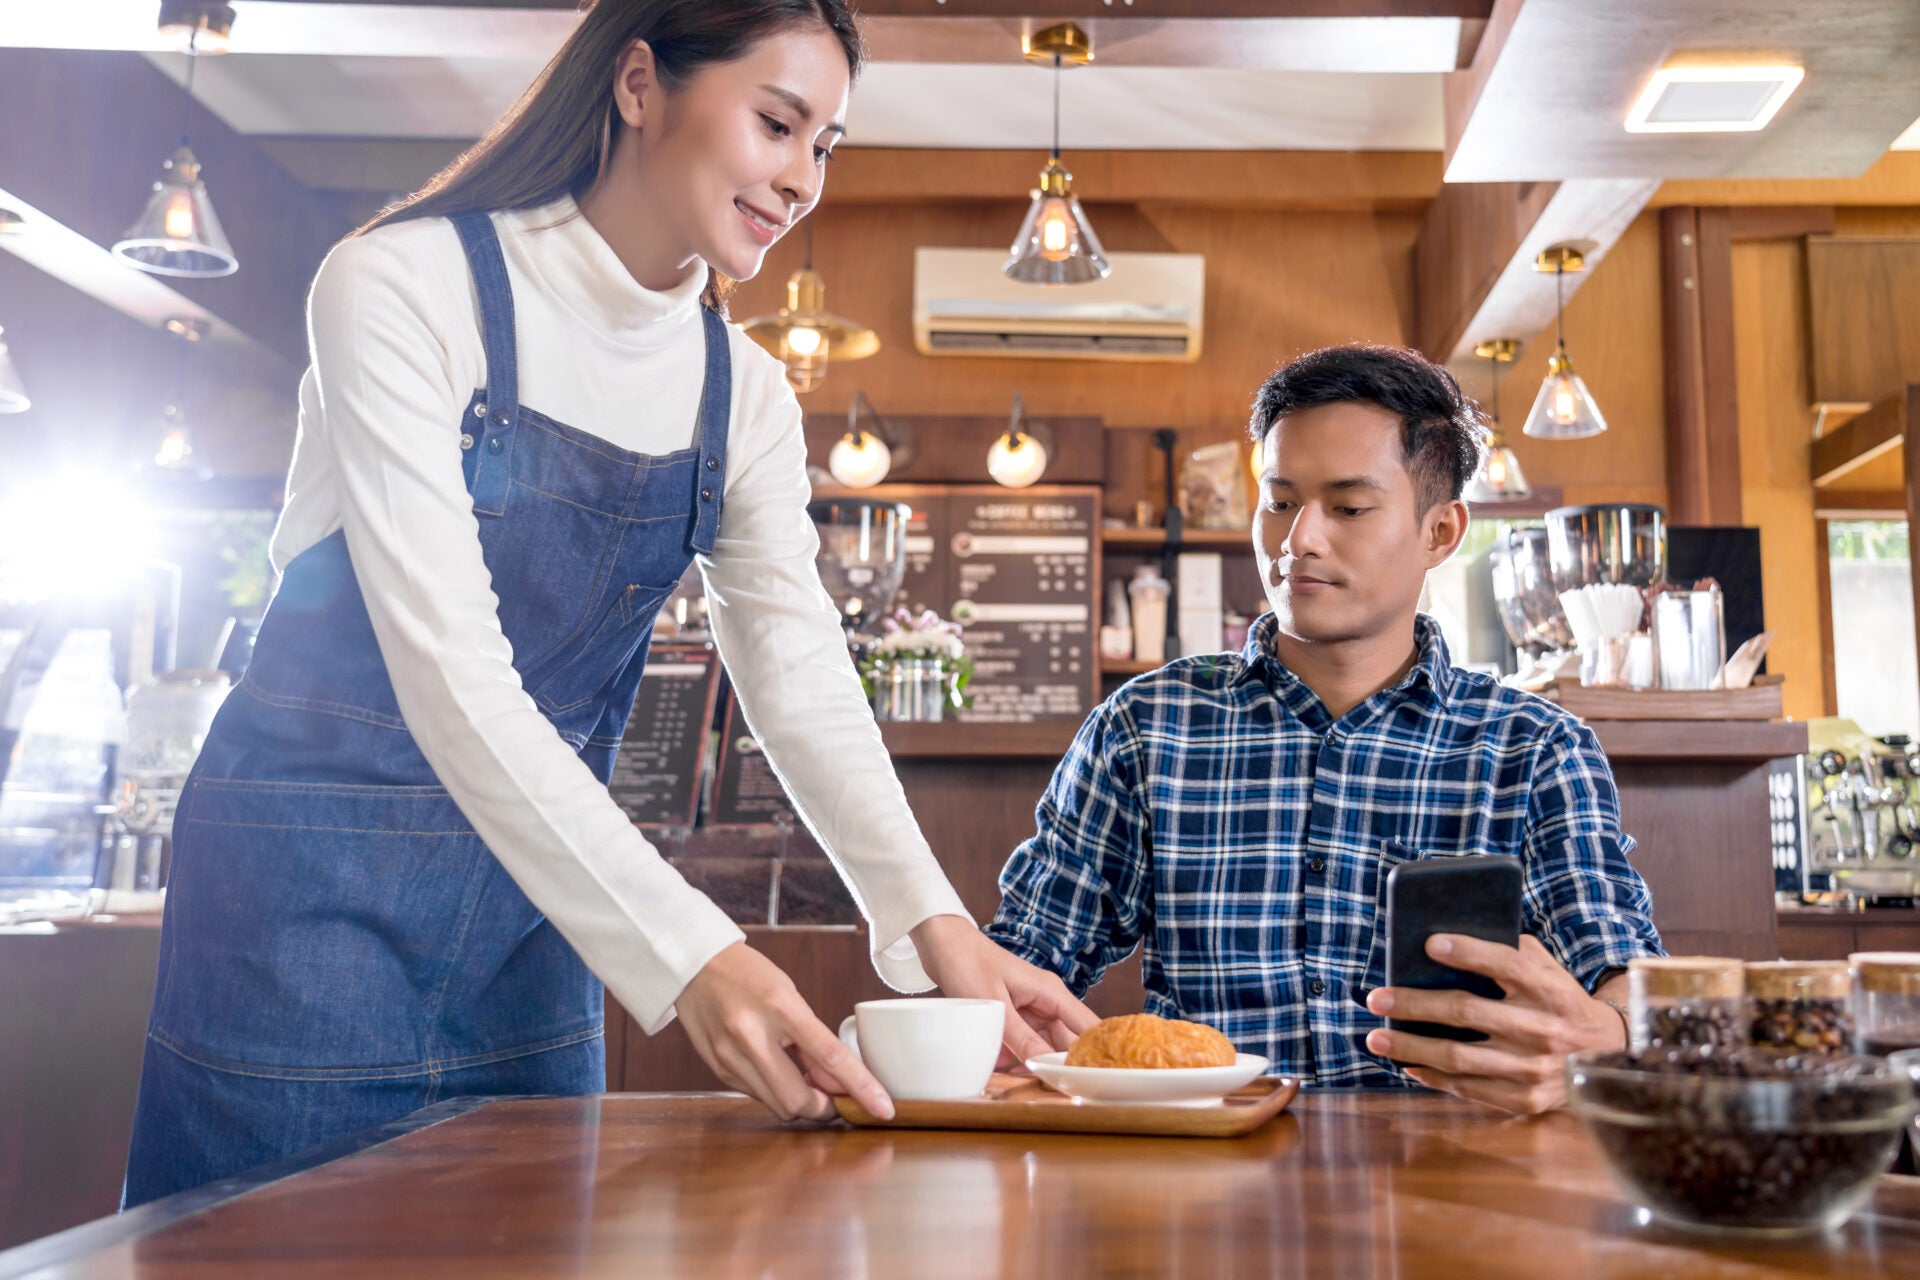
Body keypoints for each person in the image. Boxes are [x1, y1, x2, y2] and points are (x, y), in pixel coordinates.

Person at [124, 0, 1092, 1207]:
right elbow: (453, 674)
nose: (802, 180)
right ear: (640, 83)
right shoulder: (401, 284)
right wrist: (695, 955)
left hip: (539, 914)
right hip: (303, 906)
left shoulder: (742, 394)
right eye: (778, 123)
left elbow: (797, 677)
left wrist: (939, 929)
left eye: (827, 147)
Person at [986, 343, 1664, 1115]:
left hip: (1453, 1182)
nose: (1297, 539)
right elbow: (1029, 954)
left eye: (1347, 507)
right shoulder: (1150, 728)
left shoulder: (1534, 748)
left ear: (1440, 532)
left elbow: (1617, 961)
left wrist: (1605, 1039)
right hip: (1204, 1186)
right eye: (1278, 501)